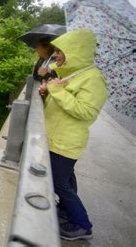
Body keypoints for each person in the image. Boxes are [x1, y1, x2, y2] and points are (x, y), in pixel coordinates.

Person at [38, 29, 108, 241]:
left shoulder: (93, 79)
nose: (56, 55)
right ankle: (68, 211)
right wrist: (47, 93)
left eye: (60, 51)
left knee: (59, 183)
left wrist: (57, 91)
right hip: (57, 138)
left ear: (75, 52)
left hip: (66, 142)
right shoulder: (74, 73)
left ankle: (82, 224)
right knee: (66, 178)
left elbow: (85, 111)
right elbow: (63, 103)